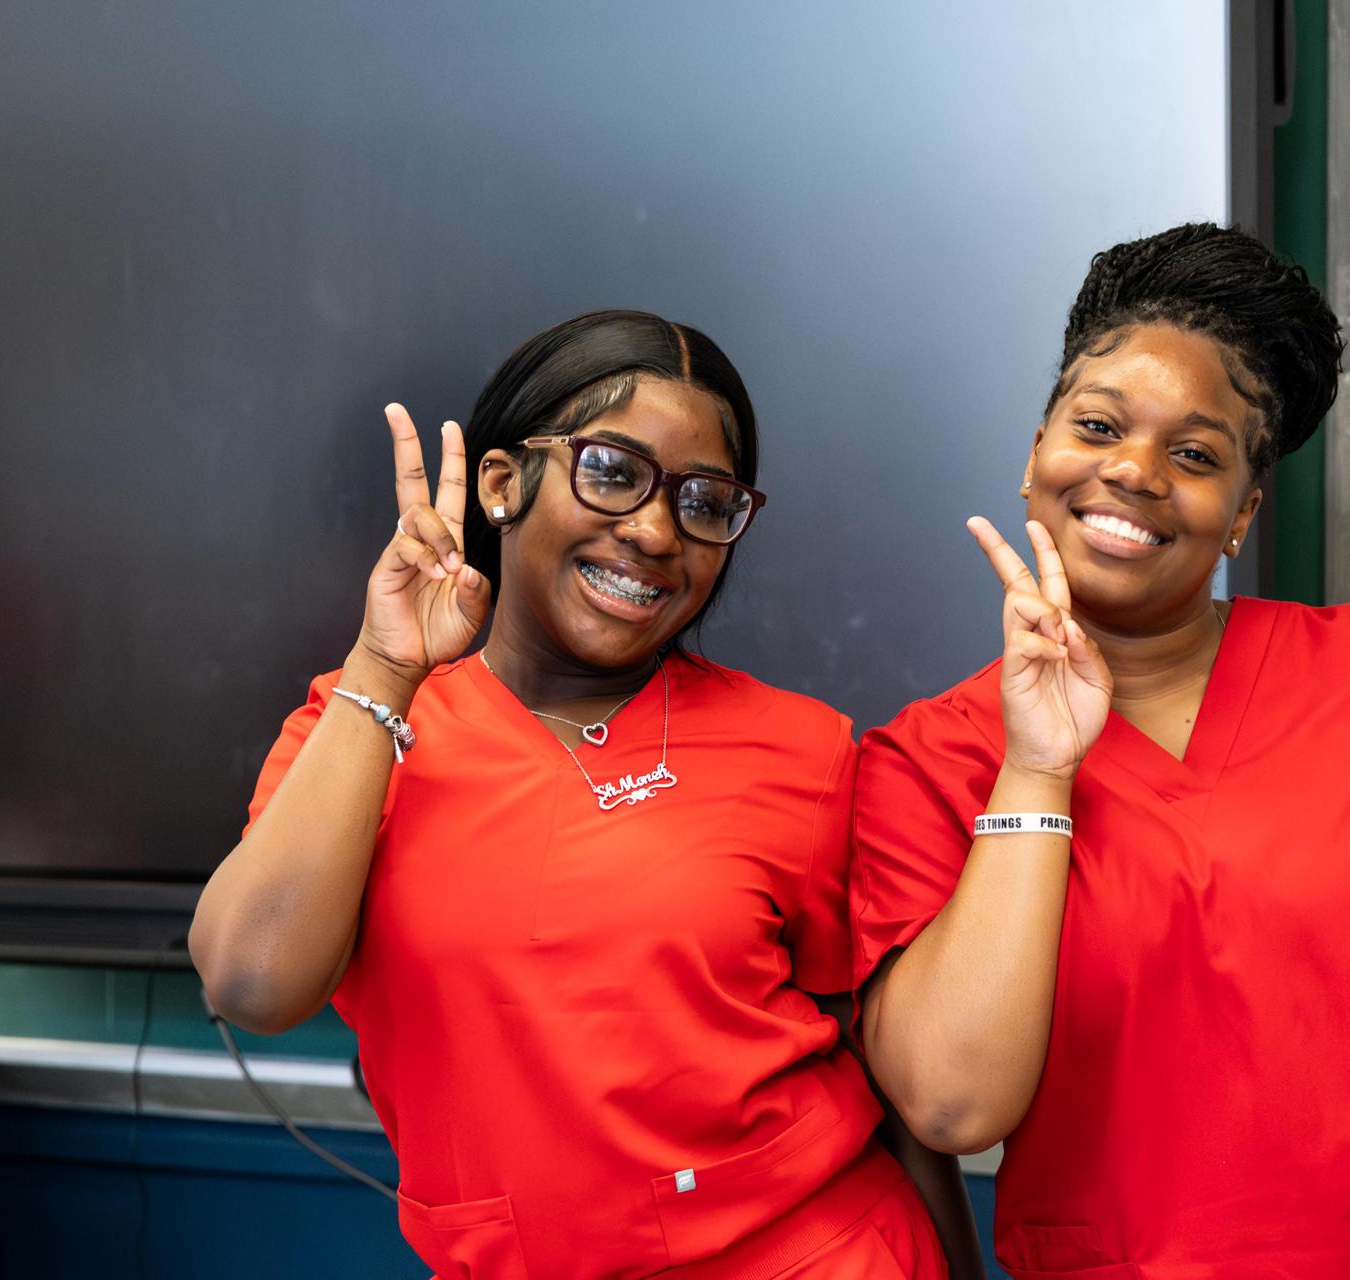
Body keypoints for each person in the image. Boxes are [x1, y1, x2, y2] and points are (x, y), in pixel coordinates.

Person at [849, 225, 1350, 1279]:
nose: (1134, 470)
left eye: (1194, 455)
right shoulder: (926, 763)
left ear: (1242, 511)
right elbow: (951, 1100)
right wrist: (1040, 767)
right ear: (1036, 454)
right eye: (1098, 424)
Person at [190, 311, 975, 1279]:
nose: (654, 530)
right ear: (501, 481)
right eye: (611, 470)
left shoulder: (803, 748)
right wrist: (386, 667)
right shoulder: (359, 728)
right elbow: (251, 981)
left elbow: (883, 1066)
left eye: (705, 500)